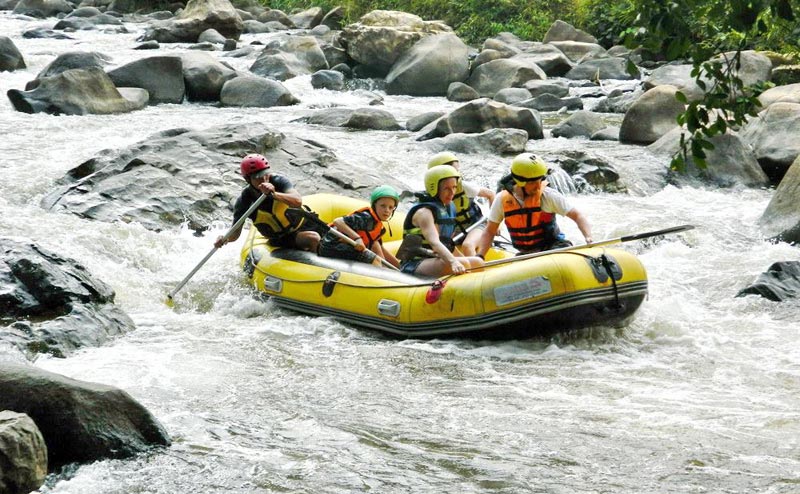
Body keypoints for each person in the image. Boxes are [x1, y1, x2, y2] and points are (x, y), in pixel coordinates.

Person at [476, 153, 593, 257]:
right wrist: (480, 256)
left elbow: (577, 216)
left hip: (554, 248)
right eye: (532, 182)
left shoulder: (548, 195)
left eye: (540, 181)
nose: (538, 186)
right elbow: (490, 231)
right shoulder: (502, 199)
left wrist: (588, 237)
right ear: (519, 182)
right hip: (525, 253)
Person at [214, 154, 326, 251]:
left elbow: (297, 201)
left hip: (306, 223)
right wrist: (225, 239)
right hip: (283, 238)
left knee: (336, 235)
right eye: (258, 177)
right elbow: (235, 233)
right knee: (313, 238)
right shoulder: (245, 201)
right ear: (248, 180)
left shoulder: (278, 181)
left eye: (265, 173)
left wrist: (274, 194)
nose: (264, 179)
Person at [398, 165, 484, 277]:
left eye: (454, 187)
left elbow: (447, 243)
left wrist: (460, 259)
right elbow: (434, 242)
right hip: (415, 263)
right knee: (465, 264)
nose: (452, 192)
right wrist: (453, 262)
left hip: (435, 259)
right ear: (434, 188)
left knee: (478, 262)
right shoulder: (424, 213)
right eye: (447, 188)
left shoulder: (449, 207)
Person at [426, 151, 495, 256]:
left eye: (457, 171)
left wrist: (494, 225)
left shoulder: (463, 186)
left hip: (476, 225)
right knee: (442, 248)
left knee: (467, 246)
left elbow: (491, 194)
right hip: (456, 230)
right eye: (454, 171)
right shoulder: (431, 195)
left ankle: (475, 270)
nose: (457, 175)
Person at [317, 185, 401, 268]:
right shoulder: (365, 217)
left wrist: (399, 267)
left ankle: (385, 274)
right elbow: (338, 221)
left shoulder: (377, 226)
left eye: (390, 207)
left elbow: (380, 250)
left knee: (376, 252)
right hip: (331, 246)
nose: (387, 210)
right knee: (375, 260)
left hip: (343, 248)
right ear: (375, 205)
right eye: (383, 206)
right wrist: (357, 238)